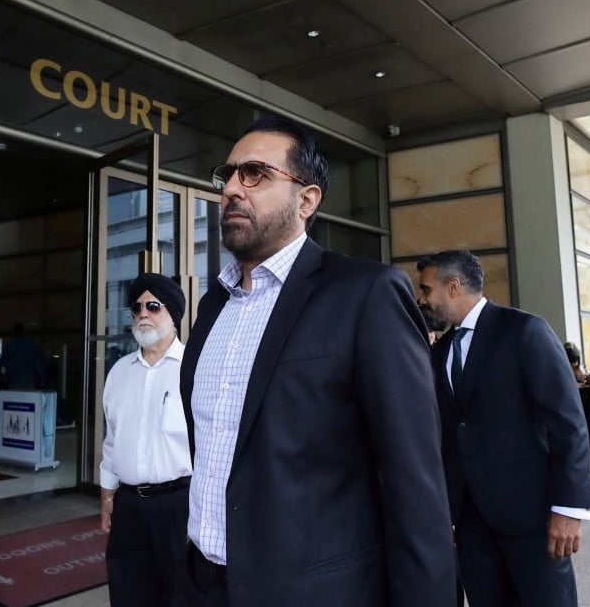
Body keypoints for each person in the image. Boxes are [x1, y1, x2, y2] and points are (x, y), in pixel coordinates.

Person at [177, 115, 455, 607]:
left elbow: (413, 481)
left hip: (312, 590)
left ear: (306, 200)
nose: (233, 190)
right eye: (229, 175)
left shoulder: (365, 293)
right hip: (204, 581)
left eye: (256, 174)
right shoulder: (212, 305)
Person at [417, 250, 590, 607]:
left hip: (533, 517)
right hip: (471, 524)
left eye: (426, 289)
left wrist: (569, 508)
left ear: (453, 287)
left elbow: (567, 420)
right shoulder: (439, 353)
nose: (421, 300)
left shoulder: (524, 330)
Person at [100, 273, 192, 607]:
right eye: (137, 307)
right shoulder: (119, 372)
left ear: (173, 316)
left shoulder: (194, 369)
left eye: (153, 306)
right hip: (128, 507)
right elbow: (112, 438)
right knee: (128, 593)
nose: (143, 314)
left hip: (179, 506)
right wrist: (107, 494)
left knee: (180, 594)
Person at [565, 342, 590, 474]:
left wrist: (586, 381)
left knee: (586, 444)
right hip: (572, 415)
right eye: (572, 366)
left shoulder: (580, 371)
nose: (574, 368)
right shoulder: (560, 374)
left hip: (585, 411)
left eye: (576, 365)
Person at [0, 323, 46, 389]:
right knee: (28, 398)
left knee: (14, 398)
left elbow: (4, 364)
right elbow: (37, 363)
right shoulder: (32, 346)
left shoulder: (9, 347)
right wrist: (41, 377)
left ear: (14, 333)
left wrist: (3, 376)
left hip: (14, 380)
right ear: (24, 333)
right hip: (29, 379)